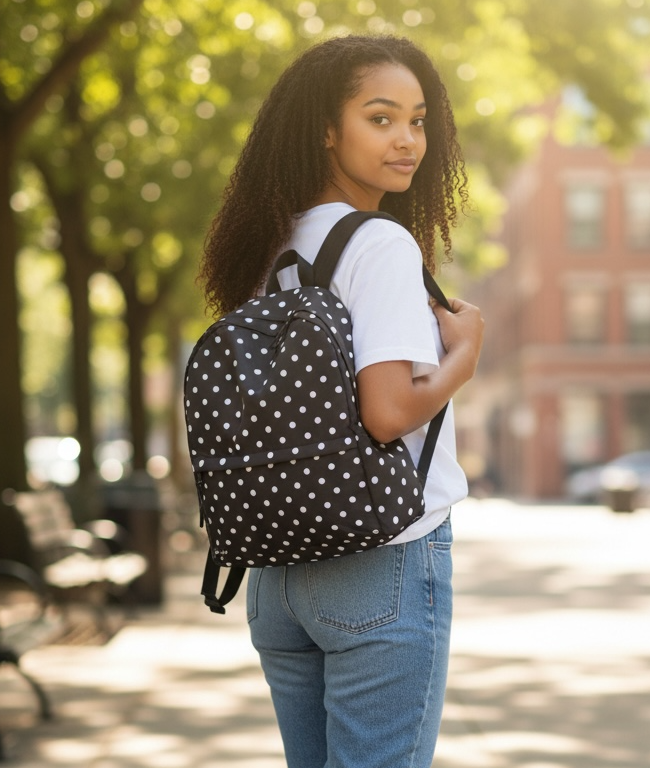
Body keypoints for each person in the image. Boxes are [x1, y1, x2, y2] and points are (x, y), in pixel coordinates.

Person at [197, 34, 484, 768]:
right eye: (380, 118)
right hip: (377, 561)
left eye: (417, 121)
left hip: (276, 575)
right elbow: (387, 412)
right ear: (327, 130)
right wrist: (465, 355)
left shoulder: (269, 248)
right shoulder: (381, 244)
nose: (407, 140)